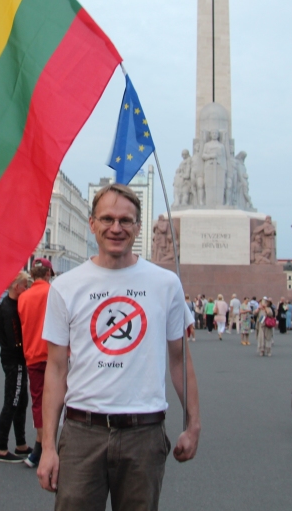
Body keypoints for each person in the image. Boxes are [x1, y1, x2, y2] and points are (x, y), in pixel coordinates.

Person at [36, 183, 199, 510]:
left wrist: (193, 425)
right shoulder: (65, 287)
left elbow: (180, 362)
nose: (116, 228)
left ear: (138, 227)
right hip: (83, 432)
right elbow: (55, 370)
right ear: (92, 223)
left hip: (144, 432)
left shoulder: (165, 284)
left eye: (126, 221)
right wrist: (49, 447)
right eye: (107, 218)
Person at [18, 258, 55, 468]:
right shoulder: (53, 294)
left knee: (38, 402)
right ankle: (52, 446)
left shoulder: (24, 297)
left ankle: (40, 447)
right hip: (54, 355)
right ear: (48, 274)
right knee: (60, 400)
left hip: (32, 353)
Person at [0, 272, 32, 463]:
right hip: (14, 360)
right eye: (25, 286)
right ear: (17, 287)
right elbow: (15, 340)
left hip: (16, 359)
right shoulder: (9, 309)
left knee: (21, 401)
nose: (26, 289)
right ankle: (1, 448)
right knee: (12, 401)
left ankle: (21, 444)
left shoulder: (11, 305)